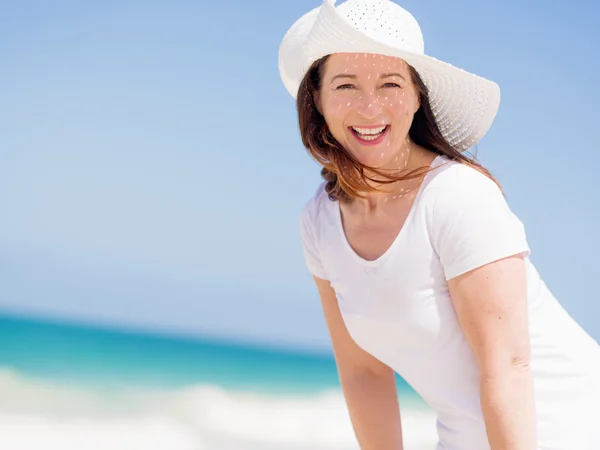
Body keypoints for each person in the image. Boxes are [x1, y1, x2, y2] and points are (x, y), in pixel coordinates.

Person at [277, 1, 600, 449]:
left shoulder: (457, 195)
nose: (370, 107)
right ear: (317, 100)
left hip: (566, 428)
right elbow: (363, 371)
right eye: (346, 85)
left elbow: (507, 366)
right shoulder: (319, 222)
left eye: (390, 84)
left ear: (416, 96)